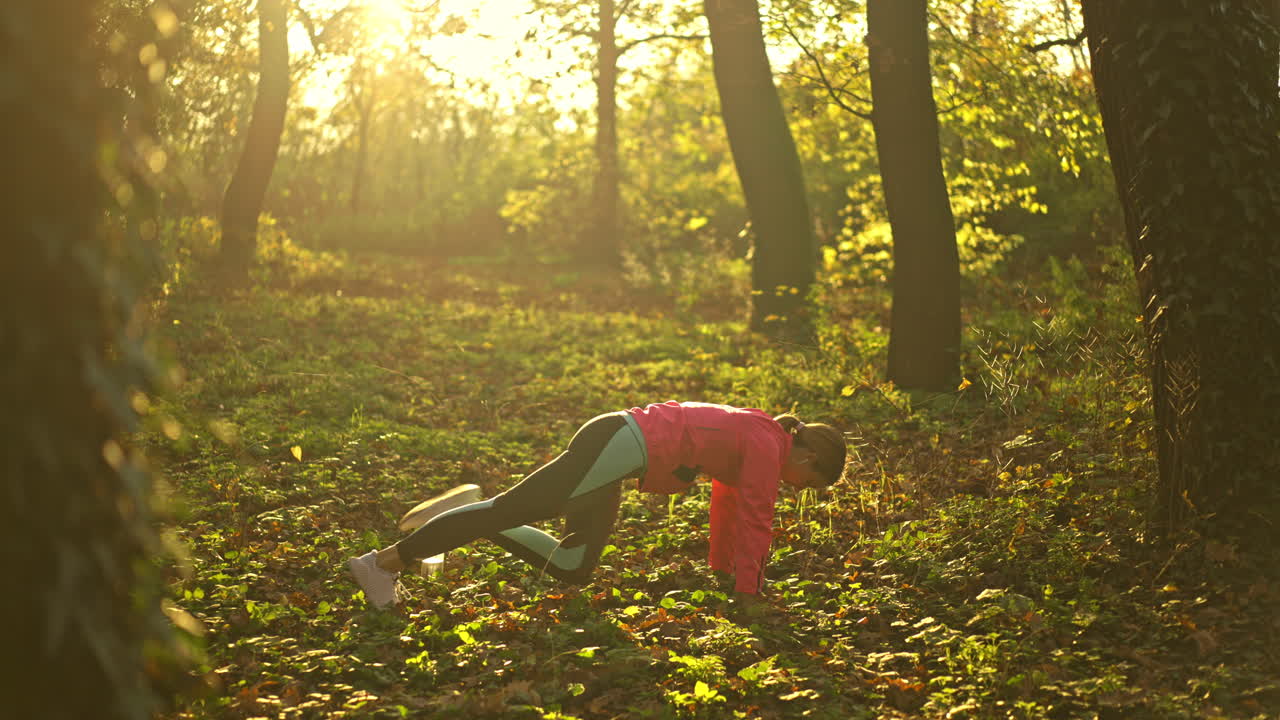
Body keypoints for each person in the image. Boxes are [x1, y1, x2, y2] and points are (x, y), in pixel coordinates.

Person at [347, 401, 847, 609]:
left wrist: (724, 573)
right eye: (808, 482)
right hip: (617, 442)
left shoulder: (760, 443)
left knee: (573, 566)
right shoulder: (768, 444)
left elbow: (730, 510)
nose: (799, 489)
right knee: (508, 511)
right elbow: (758, 520)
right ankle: (381, 564)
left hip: (620, 460)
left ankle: (462, 514)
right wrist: (750, 594)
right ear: (806, 454)